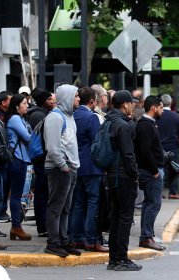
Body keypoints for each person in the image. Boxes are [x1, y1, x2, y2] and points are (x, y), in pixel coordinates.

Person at [105, 90, 142, 271]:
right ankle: (121, 259)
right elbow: (128, 154)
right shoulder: (123, 125)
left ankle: (114, 259)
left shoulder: (109, 121)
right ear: (125, 104)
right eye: (131, 103)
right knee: (125, 218)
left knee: (116, 217)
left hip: (111, 175)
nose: (133, 105)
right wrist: (135, 175)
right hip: (124, 176)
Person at [43, 84, 81, 257]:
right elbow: (52, 147)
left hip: (69, 168)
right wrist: (64, 166)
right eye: (76, 96)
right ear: (67, 97)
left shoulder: (68, 116)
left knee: (65, 208)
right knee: (56, 207)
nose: (79, 99)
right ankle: (53, 242)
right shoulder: (55, 118)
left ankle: (63, 241)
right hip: (60, 169)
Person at [70, 86, 106, 252]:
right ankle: (91, 239)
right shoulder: (91, 118)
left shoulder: (73, 115)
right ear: (92, 101)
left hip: (76, 164)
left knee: (78, 203)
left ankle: (77, 238)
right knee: (93, 203)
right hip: (91, 166)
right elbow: (97, 142)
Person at [135, 95, 166, 251]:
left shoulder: (147, 124)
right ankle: (146, 237)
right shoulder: (146, 125)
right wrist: (154, 171)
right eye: (160, 107)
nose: (162, 110)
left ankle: (148, 235)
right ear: (153, 108)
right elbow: (145, 151)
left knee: (149, 204)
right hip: (150, 172)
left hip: (149, 170)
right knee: (153, 204)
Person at [4, 94, 32, 240]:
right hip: (17, 159)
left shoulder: (19, 118)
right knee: (16, 195)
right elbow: (28, 137)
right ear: (16, 106)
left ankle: (15, 227)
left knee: (15, 194)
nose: (27, 105)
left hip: (19, 159)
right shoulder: (15, 119)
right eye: (24, 103)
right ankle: (16, 227)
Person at [27, 88, 54, 237]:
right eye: (50, 99)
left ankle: (44, 225)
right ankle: (42, 226)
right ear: (44, 101)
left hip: (41, 158)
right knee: (42, 192)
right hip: (41, 158)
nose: (53, 102)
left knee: (43, 192)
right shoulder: (39, 115)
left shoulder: (40, 114)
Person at [156, 94, 179, 199]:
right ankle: (173, 192)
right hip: (173, 147)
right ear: (171, 102)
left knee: (160, 169)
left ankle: (159, 192)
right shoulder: (175, 116)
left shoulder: (157, 115)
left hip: (159, 147)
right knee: (174, 169)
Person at [0, 91, 13, 223]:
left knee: (3, 188)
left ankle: (1, 213)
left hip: (2, 159)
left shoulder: (2, 117)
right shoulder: (1, 118)